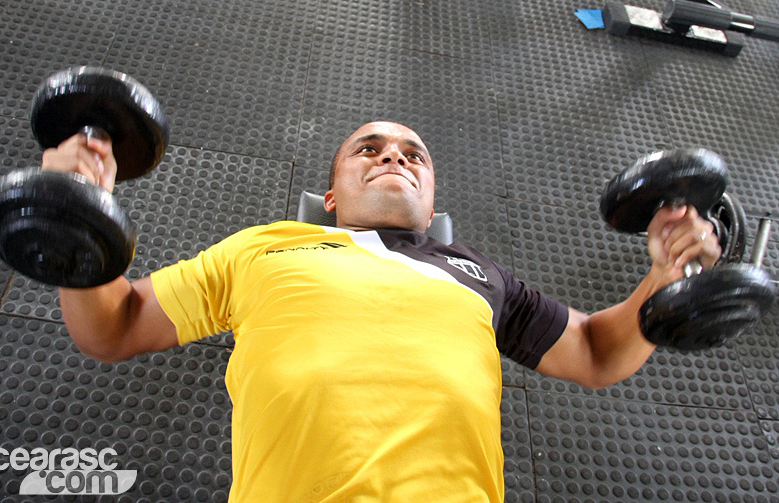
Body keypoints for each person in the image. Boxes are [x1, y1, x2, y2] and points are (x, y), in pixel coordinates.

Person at [44, 121, 720, 501]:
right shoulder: (263, 247)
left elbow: (599, 351)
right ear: (332, 196)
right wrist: (72, 210)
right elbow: (117, 324)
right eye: (368, 149)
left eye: (413, 154)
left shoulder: (480, 275)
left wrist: (662, 277)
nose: (394, 154)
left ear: (430, 199)